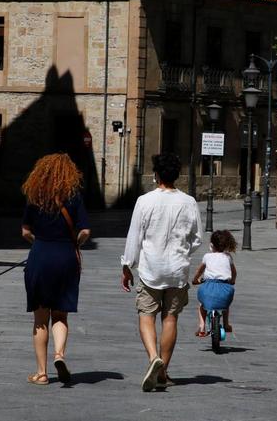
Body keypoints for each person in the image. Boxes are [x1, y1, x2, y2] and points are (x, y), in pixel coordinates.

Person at [121, 152, 202, 392]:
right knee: (170, 318)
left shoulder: (145, 201)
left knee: (146, 314)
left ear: (156, 175)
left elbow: (134, 237)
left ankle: (153, 357)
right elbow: (197, 239)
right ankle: (163, 371)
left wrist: (127, 266)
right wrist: (183, 253)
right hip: (177, 270)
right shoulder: (189, 202)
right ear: (177, 175)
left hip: (150, 269)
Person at [21, 154, 90, 386]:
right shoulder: (74, 197)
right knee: (60, 314)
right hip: (66, 257)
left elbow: (25, 232)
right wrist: (75, 244)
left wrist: (39, 243)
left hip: (40, 255)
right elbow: (85, 232)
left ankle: (41, 373)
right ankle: (59, 355)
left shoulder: (35, 196)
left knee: (40, 317)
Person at [192, 230, 237, 336]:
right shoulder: (228, 257)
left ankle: (202, 326)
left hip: (208, 287)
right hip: (225, 288)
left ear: (211, 245)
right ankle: (226, 324)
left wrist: (195, 280)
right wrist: (232, 281)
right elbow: (234, 272)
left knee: (202, 305)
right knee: (225, 306)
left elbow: (199, 271)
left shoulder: (207, 256)